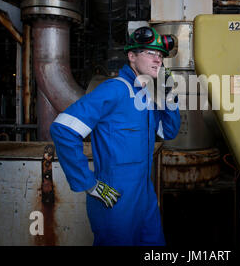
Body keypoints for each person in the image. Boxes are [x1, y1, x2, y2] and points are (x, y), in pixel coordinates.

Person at [50, 26, 181, 246]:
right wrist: (88, 183)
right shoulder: (114, 90)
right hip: (116, 198)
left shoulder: (145, 97)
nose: (158, 60)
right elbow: (63, 128)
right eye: (150, 53)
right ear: (131, 56)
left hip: (145, 196)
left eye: (160, 55)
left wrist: (169, 97)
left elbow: (168, 131)